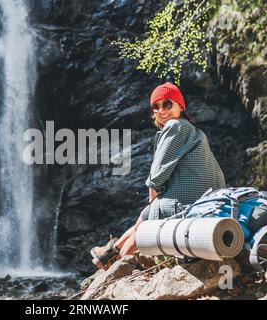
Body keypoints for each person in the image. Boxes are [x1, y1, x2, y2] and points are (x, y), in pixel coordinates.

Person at [91, 82, 226, 270]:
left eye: (167, 104)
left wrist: (152, 201)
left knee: (145, 223)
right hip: (206, 200)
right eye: (156, 106)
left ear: (181, 106)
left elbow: (157, 173)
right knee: (145, 217)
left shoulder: (176, 126)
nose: (162, 110)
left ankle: (118, 266)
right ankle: (110, 252)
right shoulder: (194, 132)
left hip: (188, 202)